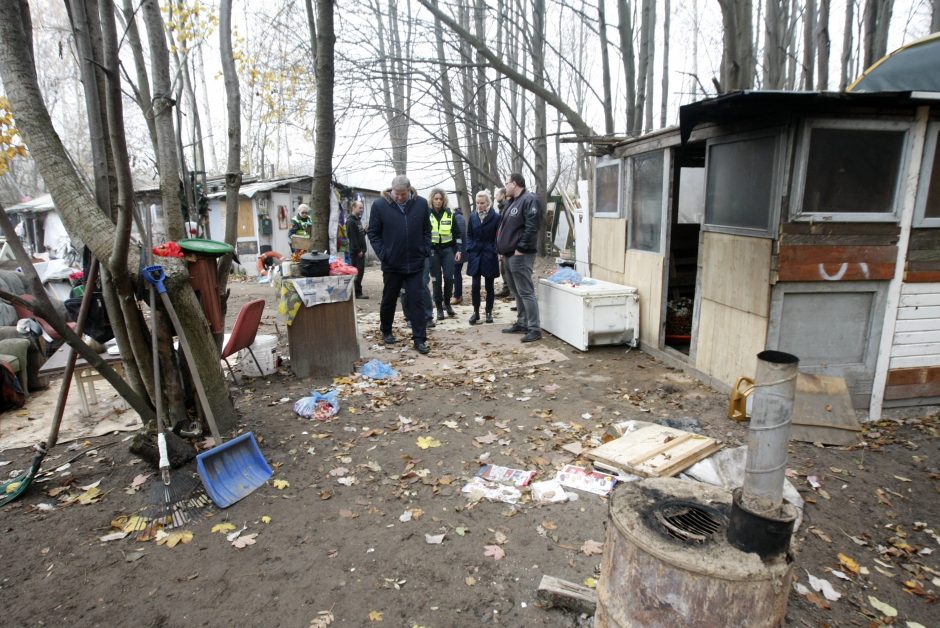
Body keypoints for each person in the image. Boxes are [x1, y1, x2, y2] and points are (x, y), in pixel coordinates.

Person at [368, 175, 432, 354]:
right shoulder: (380, 205)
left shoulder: (420, 204)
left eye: (403, 194)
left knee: (416, 300)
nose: (399, 197)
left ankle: (419, 339)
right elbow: (373, 233)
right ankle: (386, 329)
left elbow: (427, 229)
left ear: (409, 190)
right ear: (391, 190)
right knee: (389, 298)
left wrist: (425, 249)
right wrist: (383, 254)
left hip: (415, 262)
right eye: (396, 194)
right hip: (392, 264)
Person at [496, 173, 541, 342]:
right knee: (516, 291)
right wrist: (501, 249)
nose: (505, 186)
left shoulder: (529, 200)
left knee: (526, 291)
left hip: (520, 254)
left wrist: (521, 248)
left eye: (506, 183)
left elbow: (532, 226)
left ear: (514, 184)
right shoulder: (511, 202)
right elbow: (504, 227)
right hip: (508, 254)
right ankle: (522, 322)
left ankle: (534, 328)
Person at [465, 190, 500, 325]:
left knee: (489, 286)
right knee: (475, 286)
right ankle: (476, 312)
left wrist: (494, 249)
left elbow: (498, 236)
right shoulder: (473, 216)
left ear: (488, 203)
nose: (479, 205)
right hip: (475, 255)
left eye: (482, 203)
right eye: (477, 203)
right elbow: (469, 234)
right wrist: (469, 248)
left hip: (489, 254)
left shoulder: (496, 217)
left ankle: (489, 311)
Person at [428, 188, 463, 321]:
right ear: (432, 199)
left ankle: (447, 304)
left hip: (448, 250)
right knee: (436, 281)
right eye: (436, 199)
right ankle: (439, 308)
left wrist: (459, 249)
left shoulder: (450, 214)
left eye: (440, 199)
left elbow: (457, 234)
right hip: (433, 252)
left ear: (444, 200)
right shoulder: (427, 214)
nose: (438, 201)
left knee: (449, 278)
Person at [346, 199, 368, 299]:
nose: (362, 210)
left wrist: (365, 230)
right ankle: (357, 293)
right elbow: (352, 238)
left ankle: (357, 292)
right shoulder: (350, 221)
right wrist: (358, 250)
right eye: (360, 208)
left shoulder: (357, 220)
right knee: (357, 272)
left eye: (362, 208)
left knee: (361, 272)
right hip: (356, 253)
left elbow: (360, 235)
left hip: (361, 252)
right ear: (353, 208)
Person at [494, 188, 513, 299]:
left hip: (507, 243)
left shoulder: (506, 206)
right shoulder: (501, 207)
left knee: (507, 269)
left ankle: (512, 291)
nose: (496, 196)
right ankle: (506, 289)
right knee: (503, 268)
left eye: (497, 194)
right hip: (502, 243)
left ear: (503, 195)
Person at [450, 203, 467, 305]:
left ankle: (457, 296)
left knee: (456, 273)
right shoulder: (457, 216)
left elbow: (459, 234)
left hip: (458, 251)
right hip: (454, 250)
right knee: (454, 273)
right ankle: (456, 294)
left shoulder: (458, 217)